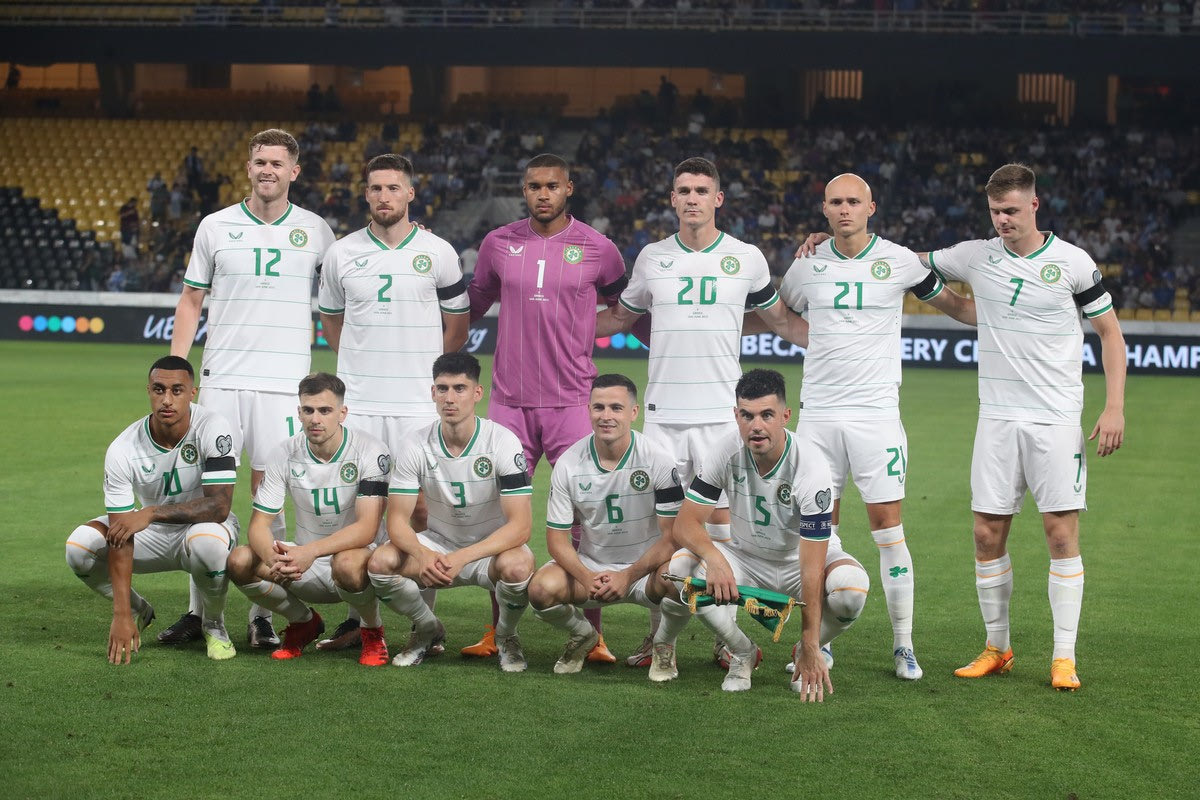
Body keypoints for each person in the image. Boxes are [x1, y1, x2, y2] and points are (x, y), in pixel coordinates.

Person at [595, 156, 806, 665]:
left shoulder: (746, 258)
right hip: (664, 416)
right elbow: (620, 317)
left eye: (701, 190)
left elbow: (780, 320)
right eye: (684, 190)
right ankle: (659, 640)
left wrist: (837, 340)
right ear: (672, 199)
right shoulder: (652, 258)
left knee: (723, 530)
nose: (692, 198)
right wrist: (548, 319)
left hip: (720, 417)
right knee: (662, 530)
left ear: (718, 199)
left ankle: (726, 637)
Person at [923, 163, 1126, 691]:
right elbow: (907, 262)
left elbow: (1110, 334)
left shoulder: (1072, 262)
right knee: (985, 533)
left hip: (1055, 419)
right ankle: (998, 648)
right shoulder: (975, 255)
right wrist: (839, 241)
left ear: (1035, 205)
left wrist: (1114, 407)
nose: (1002, 220)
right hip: (996, 418)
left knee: (1060, 534)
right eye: (995, 211)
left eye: (1011, 210)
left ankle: (1063, 658)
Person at [778, 173, 976, 680]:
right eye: (836, 202)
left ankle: (903, 644)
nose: (844, 209)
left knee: (889, 527)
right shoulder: (806, 266)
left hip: (877, 416)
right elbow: (781, 316)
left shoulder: (900, 260)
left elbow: (957, 307)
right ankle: (818, 642)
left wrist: (1021, 311)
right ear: (824, 210)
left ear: (871, 208)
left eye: (853, 201)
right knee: (818, 528)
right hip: (819, 416)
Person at [168, 128, 336, 649]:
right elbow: (191, 300)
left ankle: (265, 612)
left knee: (272, 499)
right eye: (260, 161)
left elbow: (346, 287)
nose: (267, 170)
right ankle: (199, 612)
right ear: (248, 167)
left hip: (283, 386)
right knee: (207, 496)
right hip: (221, 380)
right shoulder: (215, 226)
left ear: (294, 171)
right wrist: (178, 369)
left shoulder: (317, 231)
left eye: (277, 163)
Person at [465, 153, 628, 663]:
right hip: (508, 402)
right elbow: (471, 302)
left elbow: (626, 307)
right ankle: (498, 631)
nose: (542, 194)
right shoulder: (498, 243)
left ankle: (593, 634)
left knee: (586, 516)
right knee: (498, 516)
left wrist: (586, 331)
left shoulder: (599, 248)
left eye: (552, 186)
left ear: (568, 188)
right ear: (524, 189)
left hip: (572, 401)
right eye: (534, 185)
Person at [318, 153, 469, 650]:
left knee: (419, 513)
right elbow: (332, 320)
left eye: (393, 187)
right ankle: (362, 622)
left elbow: (458, 323)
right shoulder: (341, 253)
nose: (384, 196)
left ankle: (425, 624)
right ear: (366, 194)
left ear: (410, 193)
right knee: (357, 514)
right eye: (376, 188)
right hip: (360, 404)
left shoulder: (438, 252)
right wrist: (356, 366)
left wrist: (432, 379)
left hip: (415, 406)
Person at [652, 369, 871, 696]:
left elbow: (812, 567)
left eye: (767, 415)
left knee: (851, 589)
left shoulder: (811, 466)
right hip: (746, 557)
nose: (756, 426)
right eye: (747, 415)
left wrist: (811, 641)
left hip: (799, 560)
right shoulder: (726, 451)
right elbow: (685, 524)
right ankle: (742, 651)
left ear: (785, 416)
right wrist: (715, 558)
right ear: (736, 415)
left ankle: (804, 652)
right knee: (683, 567)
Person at [365, 354, 535, 672]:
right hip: (438, 543)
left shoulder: (502, 441)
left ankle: (506, 635)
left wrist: (462, 557)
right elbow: (397, 520)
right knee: (380, 562)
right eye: (442, 389)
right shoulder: (415, 443)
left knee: (518, 566)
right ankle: (426, 628)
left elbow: (521, 527)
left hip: (489, 549)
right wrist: (423, 554)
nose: (450, 398)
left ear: (477, 393)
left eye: (460, 388)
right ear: (433, 393)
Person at [64, 357, 239, 663]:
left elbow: (219, 507)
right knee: (79, 548)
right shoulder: (123, 448)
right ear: (148, 391)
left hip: (206, 527)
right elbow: (121, 534)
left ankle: (213, 625)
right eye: (159, 390)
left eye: (177, 390)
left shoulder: (213, 427)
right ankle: (138, 610)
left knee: (207, 543)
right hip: (152, 534)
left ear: (192, 393)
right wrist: (120, 613)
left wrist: (151, 512)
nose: (167, 400)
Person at [225, 373, 392, 665]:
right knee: (239, 561)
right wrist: (274, 559)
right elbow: (259, 526)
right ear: (299, 412)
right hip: (302, 565)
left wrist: (310, 552)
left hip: (357, 565)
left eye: (325, 410)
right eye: (308, 410)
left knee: (348, 563)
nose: (315, 419)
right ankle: (303, 622)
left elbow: (367, 529)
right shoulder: (283, 453)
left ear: (342, 413)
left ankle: (371, 631)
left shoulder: (371, 451)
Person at [528, 374, 684, 677]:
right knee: (540, 589)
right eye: (598, 407)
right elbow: (557, 540)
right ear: (588, 410)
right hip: (593, 570)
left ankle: (663, 645)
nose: (606, 416)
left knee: (682, 577)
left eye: (616, 408)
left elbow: (673, 537)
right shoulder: (569, 463)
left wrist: (627, 576)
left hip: (646, 571)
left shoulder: (659, 460)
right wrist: (586, 576)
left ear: (634, 412)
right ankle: (583, 634)